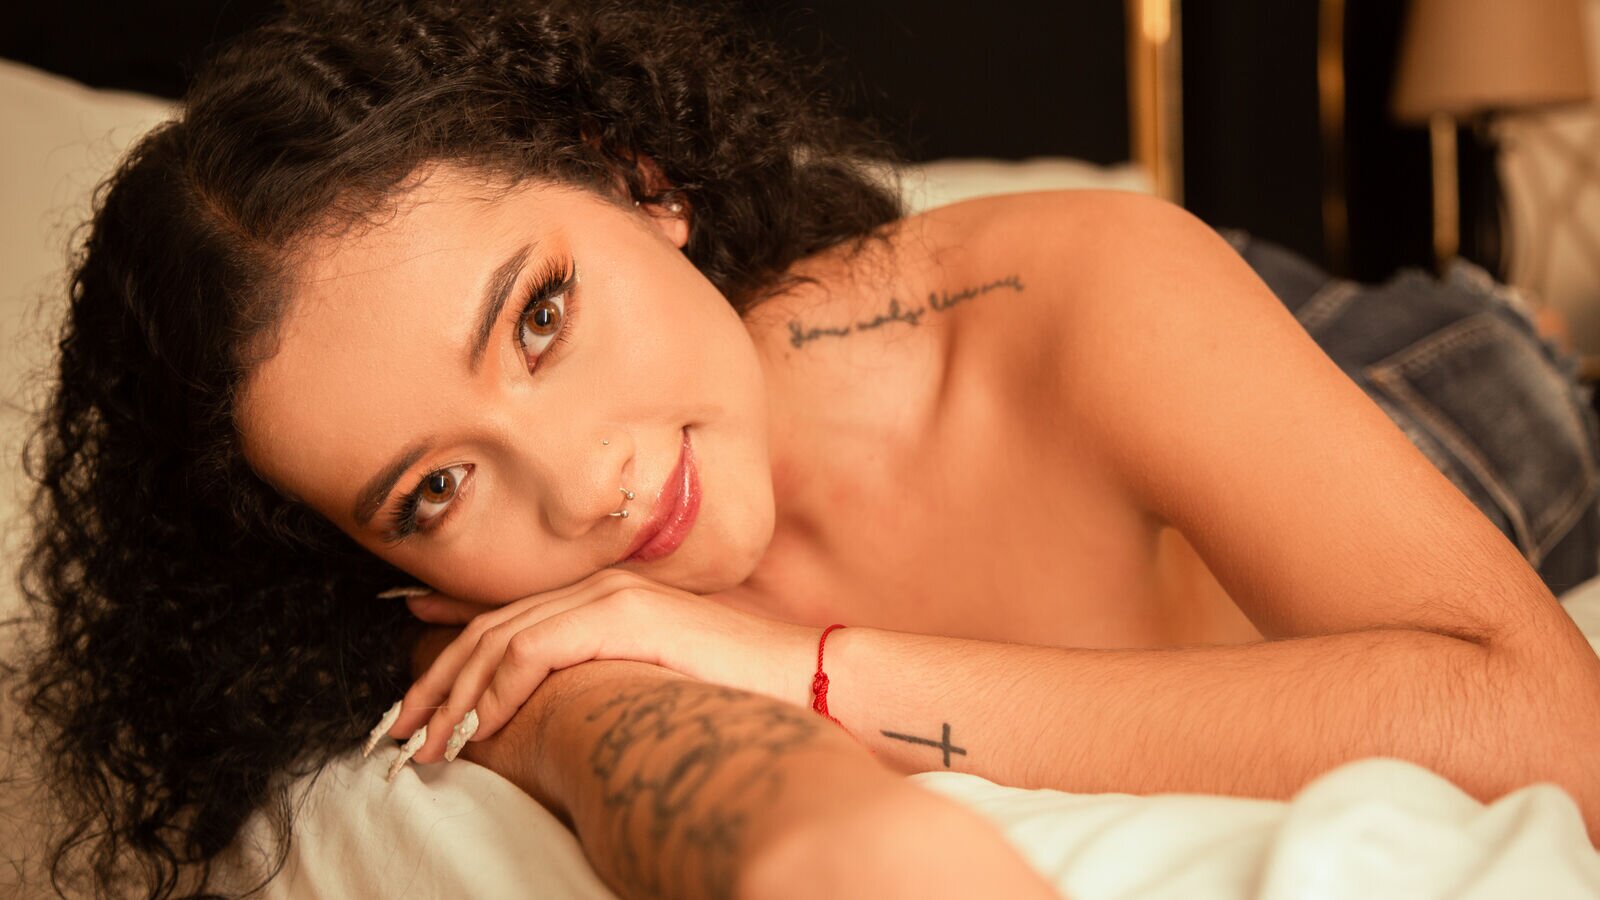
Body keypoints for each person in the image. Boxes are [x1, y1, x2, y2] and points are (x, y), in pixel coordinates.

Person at [13, 0, 1600, 895]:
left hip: (1430, 383)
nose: (581, 486)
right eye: (435, 484)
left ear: (641, 184)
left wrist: (809, 669)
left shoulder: (1074, 290)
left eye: (542, 316)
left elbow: (1552, 733)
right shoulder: (484, 631)